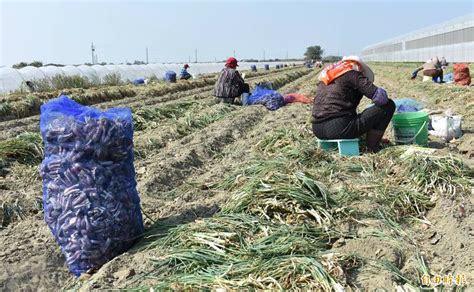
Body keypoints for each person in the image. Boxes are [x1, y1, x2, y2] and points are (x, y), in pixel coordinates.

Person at [312, 56, 395, 152]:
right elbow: (381, 98)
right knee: (389, 105)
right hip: (339, 128)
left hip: (317, 129)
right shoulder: (352, 74)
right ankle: (372, 147)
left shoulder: (326, 77)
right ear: (358, 67)